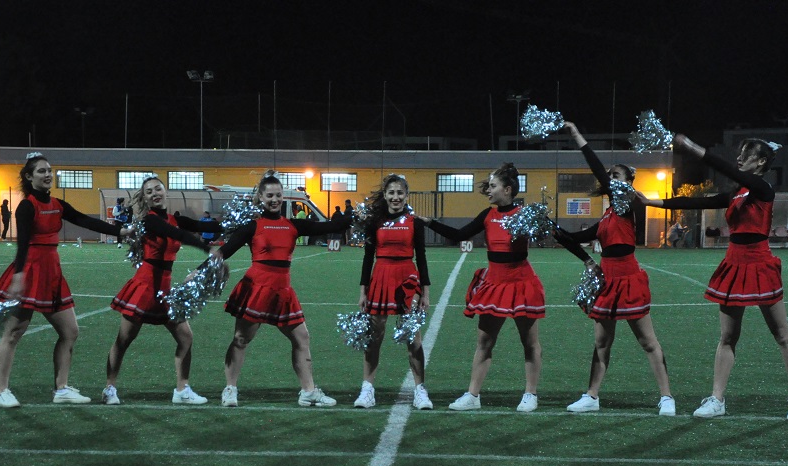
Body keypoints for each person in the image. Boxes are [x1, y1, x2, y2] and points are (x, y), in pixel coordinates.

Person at [647, 134, 788, 420]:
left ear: (761, 162)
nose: (739, 159)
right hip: (734, 263)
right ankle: (717, 399)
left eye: (746, 155)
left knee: (782, 334)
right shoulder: (737, 193)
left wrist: (693, 147)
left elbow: (727, 169)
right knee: (728, 336)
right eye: (739, 154)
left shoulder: (762, 188)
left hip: (759, 263)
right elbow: (694, 203)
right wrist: (650, 201)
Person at [552, 121, 674, 416]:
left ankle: (667, 397)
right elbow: (576, 238)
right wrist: (551, 228)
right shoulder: (607, 216)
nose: (610, 179)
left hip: (628, 279)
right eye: (610, 177)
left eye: (616, 176)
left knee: (648, 341)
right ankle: (591, 396)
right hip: (607, 282)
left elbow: (596, 170)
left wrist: (577, 135)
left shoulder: (627, 205)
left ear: (629, 182)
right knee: (601, 342)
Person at [0, 152, 127, 408]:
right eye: (41, 171)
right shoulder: (27, 206)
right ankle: (1, 392)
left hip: (52, 273)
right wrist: (18, 276)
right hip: (31, 271)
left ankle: (61, 389)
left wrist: (120, 230)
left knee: (70, 332)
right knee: (13, 333)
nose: (48, 175)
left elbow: (85, 220)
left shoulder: (58, 204)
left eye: (49, 170)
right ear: (29, 177)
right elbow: (22, 244)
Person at [210, 171, 345, 407]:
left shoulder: (293, 225)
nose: (274, 200)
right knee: (241, 338)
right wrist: (200, 271)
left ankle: (308, 392)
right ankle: (230, 389)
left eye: (278, 195)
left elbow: (332, 225)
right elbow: (225, 251)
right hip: (257, 287)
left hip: (283, 290)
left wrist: (361, 217)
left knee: (302, 338)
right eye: (270, 196)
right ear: (261, 198)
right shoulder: (252, 226)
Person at [425, 163, 544, 412]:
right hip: (494, 284)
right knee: (484, 342)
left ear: (507, 189)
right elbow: (459, 235)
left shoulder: (524, 214)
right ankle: (473, 395)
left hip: (521, 283)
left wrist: (586, 257)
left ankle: (531, 394)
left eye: (492, 186)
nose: (488, 190)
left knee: (529, 342)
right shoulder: (488, 215)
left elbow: (550, 234)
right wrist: (429, 222)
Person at [103, 173, 222, 406]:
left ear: (165, 191)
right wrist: (205, 248)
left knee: (186, 337)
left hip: (165, 289)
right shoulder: (150, 220)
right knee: (124, 339)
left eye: (158, 189)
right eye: (149, 192)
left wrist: (243, 225)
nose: (154, 194)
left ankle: (182, 390)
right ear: (145, 198)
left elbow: (204, 225)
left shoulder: (175, 219)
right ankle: (109, 388)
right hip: (145, 286)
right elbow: (177, 234)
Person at [352, 174, 433, 410]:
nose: (395, 197)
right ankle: (367, 389)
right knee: (374, 336)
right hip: (381, 278)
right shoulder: (374, 221)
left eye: (400, 193)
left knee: (413, 338)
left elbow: (422, 257)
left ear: (406, 195)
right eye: (391, 192)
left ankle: (420, 390)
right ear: (385, 195)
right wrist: (363, 292)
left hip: (407, 278)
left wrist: (425, 292)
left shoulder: (414, 222)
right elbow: (368, 258)